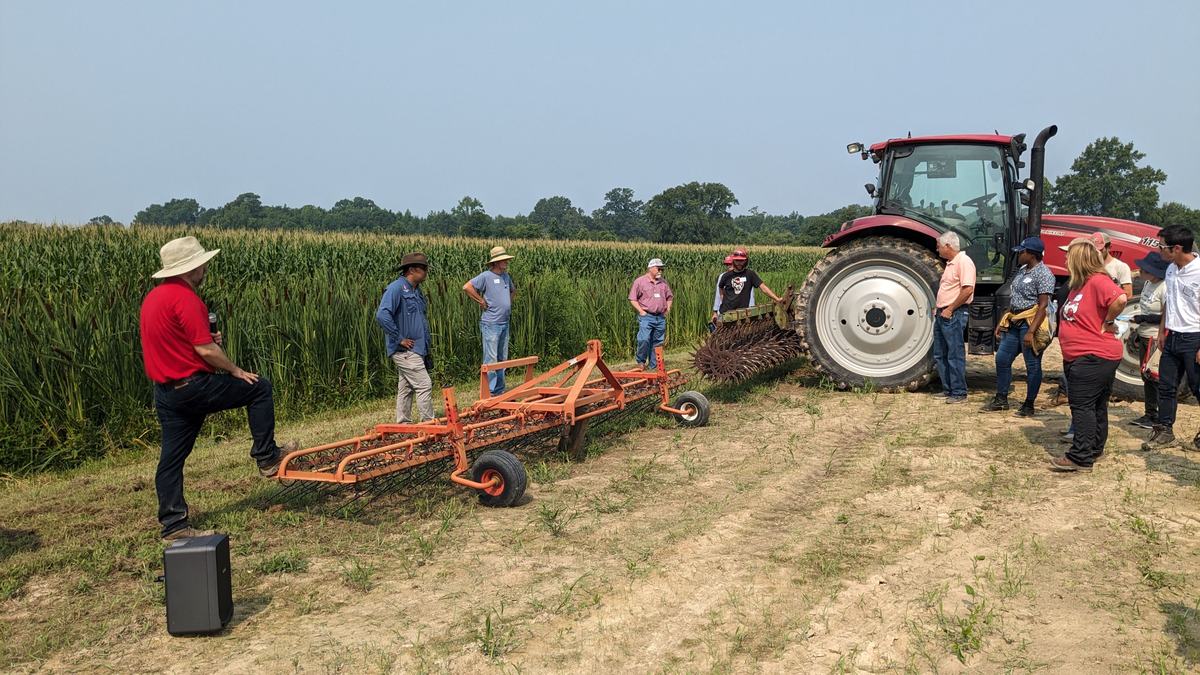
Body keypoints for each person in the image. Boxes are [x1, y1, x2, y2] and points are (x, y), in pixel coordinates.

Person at [139, 236, 297, 542]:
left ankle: (173, 524)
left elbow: (178, 341)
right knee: (259, 388)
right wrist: (235, 370)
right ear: (192, 268)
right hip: (193, 386)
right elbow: (206, 350)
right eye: (202, 263)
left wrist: (208, 343)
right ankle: (267, 457)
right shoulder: (186, 298)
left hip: (167, 392)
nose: (206, 266)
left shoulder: (154, 299)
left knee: (171, 458)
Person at [1052, 240, 1128, 472]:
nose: (1065, 260)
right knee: (1095, 405)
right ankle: (1094, 448)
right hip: (1085, 355)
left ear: (1079, 260)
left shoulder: (1097, 281)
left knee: (1083, 406)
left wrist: (1108, 322)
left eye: (1068, 257)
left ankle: (1080, 456)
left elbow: (1121, 299)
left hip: (1093, 355)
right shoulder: (1079, 285)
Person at [1142, 226, 1200, 451]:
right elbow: (1170, 302)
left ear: (1176, 248)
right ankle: (1165, 431)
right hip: (1172, 336)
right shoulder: (1171, 270)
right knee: (1166, 387)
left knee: (1197, 388)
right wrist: (1161, 331)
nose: (1158, 251)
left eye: (1161, 247)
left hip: (1194, 338)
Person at [982, 237, 1054, 416]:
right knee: (1002, 359)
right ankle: (1001, 399)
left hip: (1030, 324)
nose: (1018, 255)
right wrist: (1002, 321)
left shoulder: (1044, 274)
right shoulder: (1022, 270)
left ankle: (1029, 404)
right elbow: (1014, 298)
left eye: (1022, 252)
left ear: (1031, 254)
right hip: (1014, 322)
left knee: (1032, 364)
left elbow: (1043, 305)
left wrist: (1031, 332)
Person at [376, 252, 435, 423]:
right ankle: (429, 424)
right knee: (424, 384)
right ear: (412, 269)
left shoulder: (416, 290)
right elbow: (382, 315)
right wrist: (399, 338)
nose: (426, 272)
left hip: (417, 349)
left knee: (406, 387)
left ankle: (403, 423)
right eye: (423, 268)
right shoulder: (396, 288)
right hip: (405, 350)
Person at [463, 246, 516, 396]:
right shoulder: (486, 276)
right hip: (491, 323)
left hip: (504, 322)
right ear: (496, 262)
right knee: (491, 359)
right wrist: (481, 300)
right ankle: (490, 392)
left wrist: (507, 304)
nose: (506, 262)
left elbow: (513, 290)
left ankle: (499, 390)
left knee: (502, 358)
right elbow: (467, 287)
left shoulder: (506, 276)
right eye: (503, 260)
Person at [933, 232, 976, 404]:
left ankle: (959, 392)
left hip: (953, 313)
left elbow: (967, 289)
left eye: (939, 246)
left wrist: (950, 309)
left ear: (948, 246)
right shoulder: (951, 264)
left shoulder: (964, 262)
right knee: (940, 353)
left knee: (954, 353)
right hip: (943, 312)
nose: (937, 249)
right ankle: (948, 389)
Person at [1127, 252, 1168, 429]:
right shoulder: (1147, 284)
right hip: (1144, 334)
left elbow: (1166, 316)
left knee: (1154, 376)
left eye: (1145, 269)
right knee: (1146, 375)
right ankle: (1150, 413)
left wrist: (1144, 318)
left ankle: (1158, 415)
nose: (1141, 271)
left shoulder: (1164, 288)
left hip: (1154, 336)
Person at [629, 258, 673, 370]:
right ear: (651, 268)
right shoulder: (640, 281)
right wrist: (641, 311)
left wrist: (668, 308)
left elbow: (669, 297)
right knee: (643, 339)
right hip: (646, 316)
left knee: (658, 342)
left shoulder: (663, 283)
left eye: (662, 269)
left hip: (660, 317)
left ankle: (654, 365)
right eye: (659, 268)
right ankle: (641, 361)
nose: (661, 271)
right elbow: (633, 299)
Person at [717, 248, 782, 314]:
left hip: (742, 312)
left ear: (746, 261)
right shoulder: (726, 276)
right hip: (726, 312)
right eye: (737, 260)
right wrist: (723, 300)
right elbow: (720, 287)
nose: (739, 263)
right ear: (733, 260)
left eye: (741, 261)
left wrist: (777, 299)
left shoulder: (750, 274)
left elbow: (763, 288)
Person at [712, 253, 754, 323]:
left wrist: (751, 308)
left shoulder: (745, 276)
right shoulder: (723, 276)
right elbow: (718, 295)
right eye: (727, 264)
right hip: (726, 311)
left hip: (742, 310)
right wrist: (715, 312)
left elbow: (750, 293)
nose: (728, 266)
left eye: (730, 264)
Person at [1098, 232, 1135, 298]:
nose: (1097, 253)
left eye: (1100, 250)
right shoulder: (1090, 265)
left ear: (1109, 248)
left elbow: (1128, 295)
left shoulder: (1121, 266)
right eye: (1093, 249)